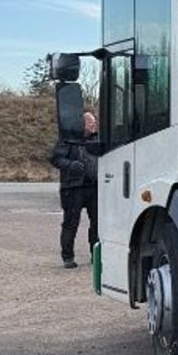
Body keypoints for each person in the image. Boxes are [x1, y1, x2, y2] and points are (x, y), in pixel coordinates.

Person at [49, 110, 102, 269]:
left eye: (94, 122)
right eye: (91, 122)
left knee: (98, 223)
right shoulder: (68, 139)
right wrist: (70, 165)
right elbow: (56, 159)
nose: (94, 124)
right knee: (71, 223)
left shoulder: (98, 139)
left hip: (94, 187)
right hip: (73, 188)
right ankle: (68, 257)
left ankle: (96, 255)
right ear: (82, 124)